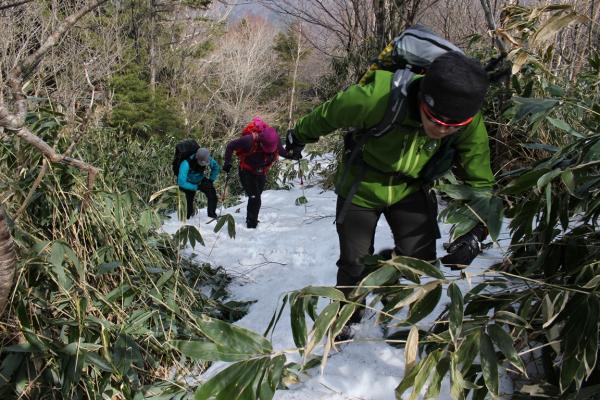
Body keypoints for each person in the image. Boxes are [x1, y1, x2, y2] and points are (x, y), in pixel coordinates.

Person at [285, 51, 494, 333]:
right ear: (422, 99)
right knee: (354, 262)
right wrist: (297, 136)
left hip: (411, 187)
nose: (442, 131)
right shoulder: (376, 97)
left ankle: (388, 276)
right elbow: (328, 114)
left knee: (421, 260)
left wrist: (477, 230)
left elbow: (480, 179)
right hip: (362, 186)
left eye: (453, 127)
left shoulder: (467, 118)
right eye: (435, 121)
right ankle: (347, 316)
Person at [222, 117, 294, 229]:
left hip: (261, 171)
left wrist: (292, 156)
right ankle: (251, 224)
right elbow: (231, 145)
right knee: (255, 197)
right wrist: (227, 162)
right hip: (246, 171)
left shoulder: (275, 140)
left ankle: (251, 218)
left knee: (257, 196)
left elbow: (281, 152)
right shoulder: (249, 140)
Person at [177, 147, 221, 220]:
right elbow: (181, 182)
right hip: (188, 183)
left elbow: (216, 167)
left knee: (212, 195)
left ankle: (212, 215)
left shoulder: (208, 158)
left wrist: (211, 180)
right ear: (197, 157)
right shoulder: (185, 163)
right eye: (202, 162)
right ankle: (188, 217)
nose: (203, 164)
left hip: (200, 180)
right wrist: (195, 187)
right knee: (188, 204)